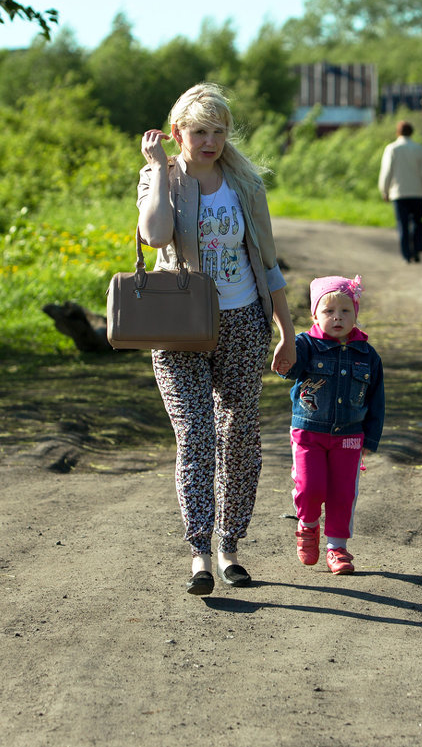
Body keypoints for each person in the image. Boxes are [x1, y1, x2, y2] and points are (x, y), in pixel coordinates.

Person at [137, 83, 295, 596]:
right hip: (180, 325)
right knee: (197, 435)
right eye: (200, 131)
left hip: (244, 321)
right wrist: (160, 168)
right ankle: (199, 553)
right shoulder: (159, 176)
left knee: (240, 436)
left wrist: (286, 331)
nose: (210, 141)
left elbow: (268, 262)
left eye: (219, 131)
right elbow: (156, 236)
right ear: (178, 131)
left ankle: (230, 547)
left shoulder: (245, 182)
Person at [278, 275, 385, 575]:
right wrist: (285, 347)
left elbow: (377, 400)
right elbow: (288, 370)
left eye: (345, 311)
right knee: (310, 487)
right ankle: (308, 525)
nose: (337, 317)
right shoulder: (306, 345)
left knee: (342, 493)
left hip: (349, 436)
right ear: (314, 315)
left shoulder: (368, 355)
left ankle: (337, 548)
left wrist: (370, 439)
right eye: (328, 311)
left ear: (356, 315)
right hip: (308, 432)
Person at [378, 120, 422, 264]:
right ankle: (417, 250)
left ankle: (406, 255)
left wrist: (384, 191)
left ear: (398, 132)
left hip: (399, 194)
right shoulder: (419, 149)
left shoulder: (392, 149)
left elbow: (386, 172)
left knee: (403, 225)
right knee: (417, 222)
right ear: (412, 132)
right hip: (417, 193)